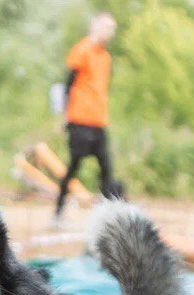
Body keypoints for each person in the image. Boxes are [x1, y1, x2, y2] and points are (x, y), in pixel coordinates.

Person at [54, 12, 118, 227]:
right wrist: (64, 115)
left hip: (99, 120)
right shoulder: (81, 50)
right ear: (95, 27)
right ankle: (58, 212)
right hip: (79, 119)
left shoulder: (106, 57)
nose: (110, 32)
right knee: (74, 166)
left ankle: (108, 215)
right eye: (106, 27)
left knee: (106, 168)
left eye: (112, 29)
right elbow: (67, 84)